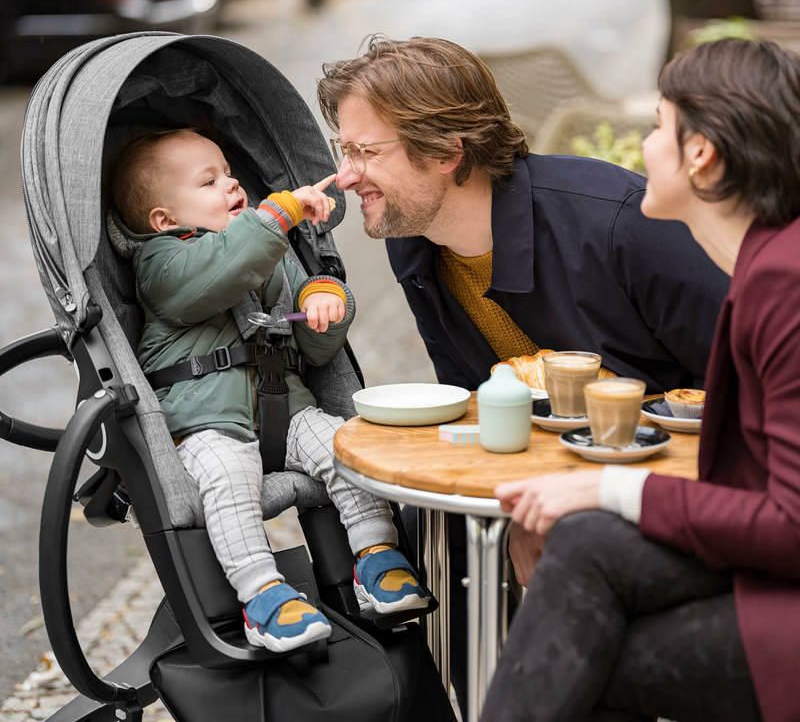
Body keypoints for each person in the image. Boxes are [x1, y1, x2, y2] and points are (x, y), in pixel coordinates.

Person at [316, 35, 729, 707]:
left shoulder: (623, 225)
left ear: (449, 152)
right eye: (345, 149)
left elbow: (750, 400)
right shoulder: (419, 247)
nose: (345, 174)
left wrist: (588, 501)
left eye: (366, 151)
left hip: (677, 506)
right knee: (409, 536)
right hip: (558, 497)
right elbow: (480, 409)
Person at [481, 38, 800, 722]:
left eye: (658, 126)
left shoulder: (785, 280)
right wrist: (596, 503)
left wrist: (609, 485)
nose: (646, 145)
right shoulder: (768, 265)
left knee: (581, 658)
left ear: (701, 153)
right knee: (585, 548)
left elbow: (791, 523)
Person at [109, 128, 429, 654]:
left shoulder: (271, 249)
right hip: (207, 423)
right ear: (164, 220)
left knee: (347, 444)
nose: (232, 185)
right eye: (209, 182)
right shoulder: (161, 263)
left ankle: (378, 558)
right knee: (228, 477)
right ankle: (263, 594)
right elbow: (215, 274)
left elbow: (315, 349)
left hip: (286, 404)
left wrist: (325, 302)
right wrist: (277, 216)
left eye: (230, 174)